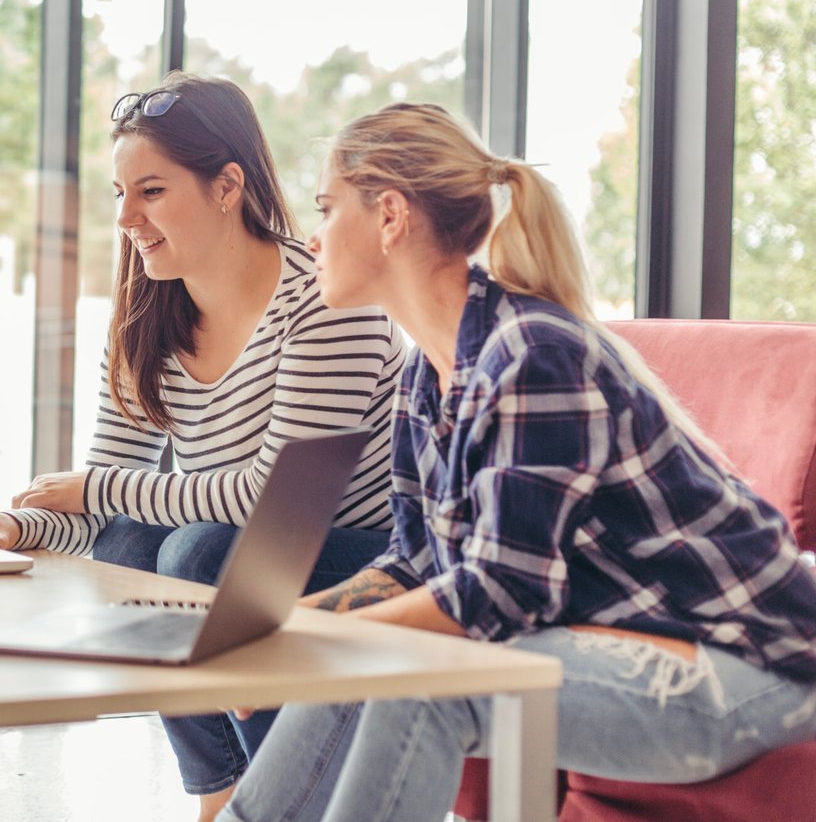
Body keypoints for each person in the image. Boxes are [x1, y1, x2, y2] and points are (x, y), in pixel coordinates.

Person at [217, 103, 816, 822]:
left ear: (390, 216)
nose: (312, 237)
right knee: (364, 652)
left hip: (749, 665)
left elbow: (503, 589)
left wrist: (303, 641)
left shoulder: (531, 352)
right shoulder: (423, 378)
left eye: (326, 206)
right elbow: (415, 565)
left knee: (419, 681)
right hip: (633, 642)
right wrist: (270, 632)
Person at [0, 73, 407, 822]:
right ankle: (222, 789)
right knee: (137, 542)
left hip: (368, 556)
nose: (127, 217)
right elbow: (105, 514)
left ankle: (281, 798)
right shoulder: (145, 321)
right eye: (119, 193)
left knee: (196, 551)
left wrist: (92, 489)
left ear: (228, 186)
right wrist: (11, 530)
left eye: (153, 191)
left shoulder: (326, 301)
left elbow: (272, 499)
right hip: (230, 548)